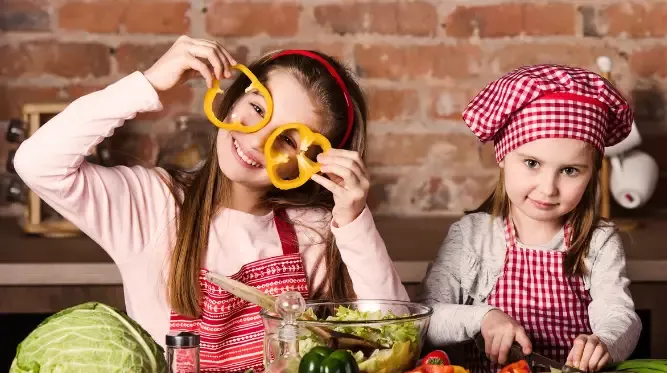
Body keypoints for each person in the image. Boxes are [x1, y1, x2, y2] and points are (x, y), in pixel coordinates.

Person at [13, 36, 408, 372]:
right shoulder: (153, 204)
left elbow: (394, 337)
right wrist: (148, 83)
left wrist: (355, 218)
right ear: (233, 97)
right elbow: (36, 163)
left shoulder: (316, 230)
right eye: (257, 109)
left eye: (288, 139)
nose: (255, 140)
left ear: (314, 162)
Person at [418, 64, 642, 373]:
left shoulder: (598, 240)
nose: (548, 188)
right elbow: (425, 319)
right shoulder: (471, 236)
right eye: (532, 163)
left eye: (570, 170)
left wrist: (604, 341)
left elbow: (620, 315)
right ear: (503, 155)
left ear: (592, 173)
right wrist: (483, 318)